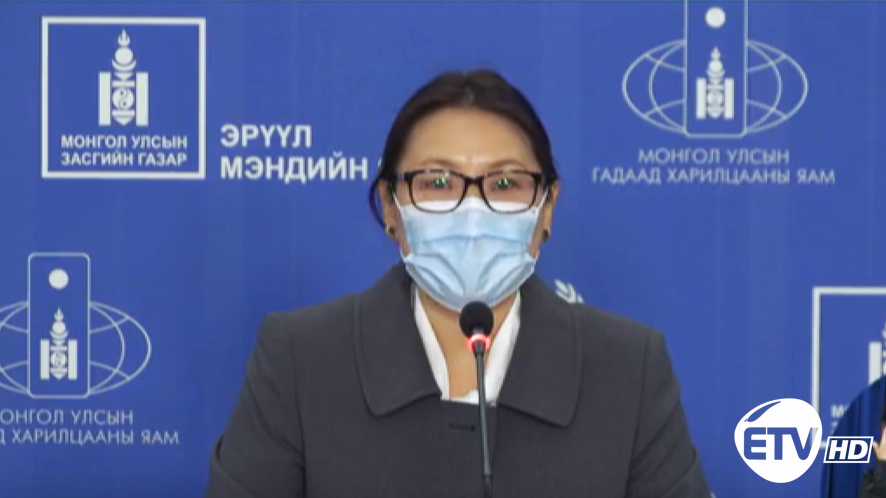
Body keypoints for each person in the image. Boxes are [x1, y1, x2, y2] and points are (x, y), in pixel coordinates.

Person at [204, 69, 710, 498]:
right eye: (438, 183)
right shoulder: (300, 360)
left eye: (505, 184)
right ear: (391, 207)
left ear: (547, 208)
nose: (471, 211)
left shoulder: (629, 369)